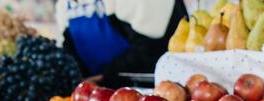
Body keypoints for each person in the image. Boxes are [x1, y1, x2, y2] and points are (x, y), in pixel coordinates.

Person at [59, 0, 187, 88]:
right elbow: (70, 56)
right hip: (99, 99)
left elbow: (151, 48)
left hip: (149, 94)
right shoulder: (64, 6)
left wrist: (106, 77)